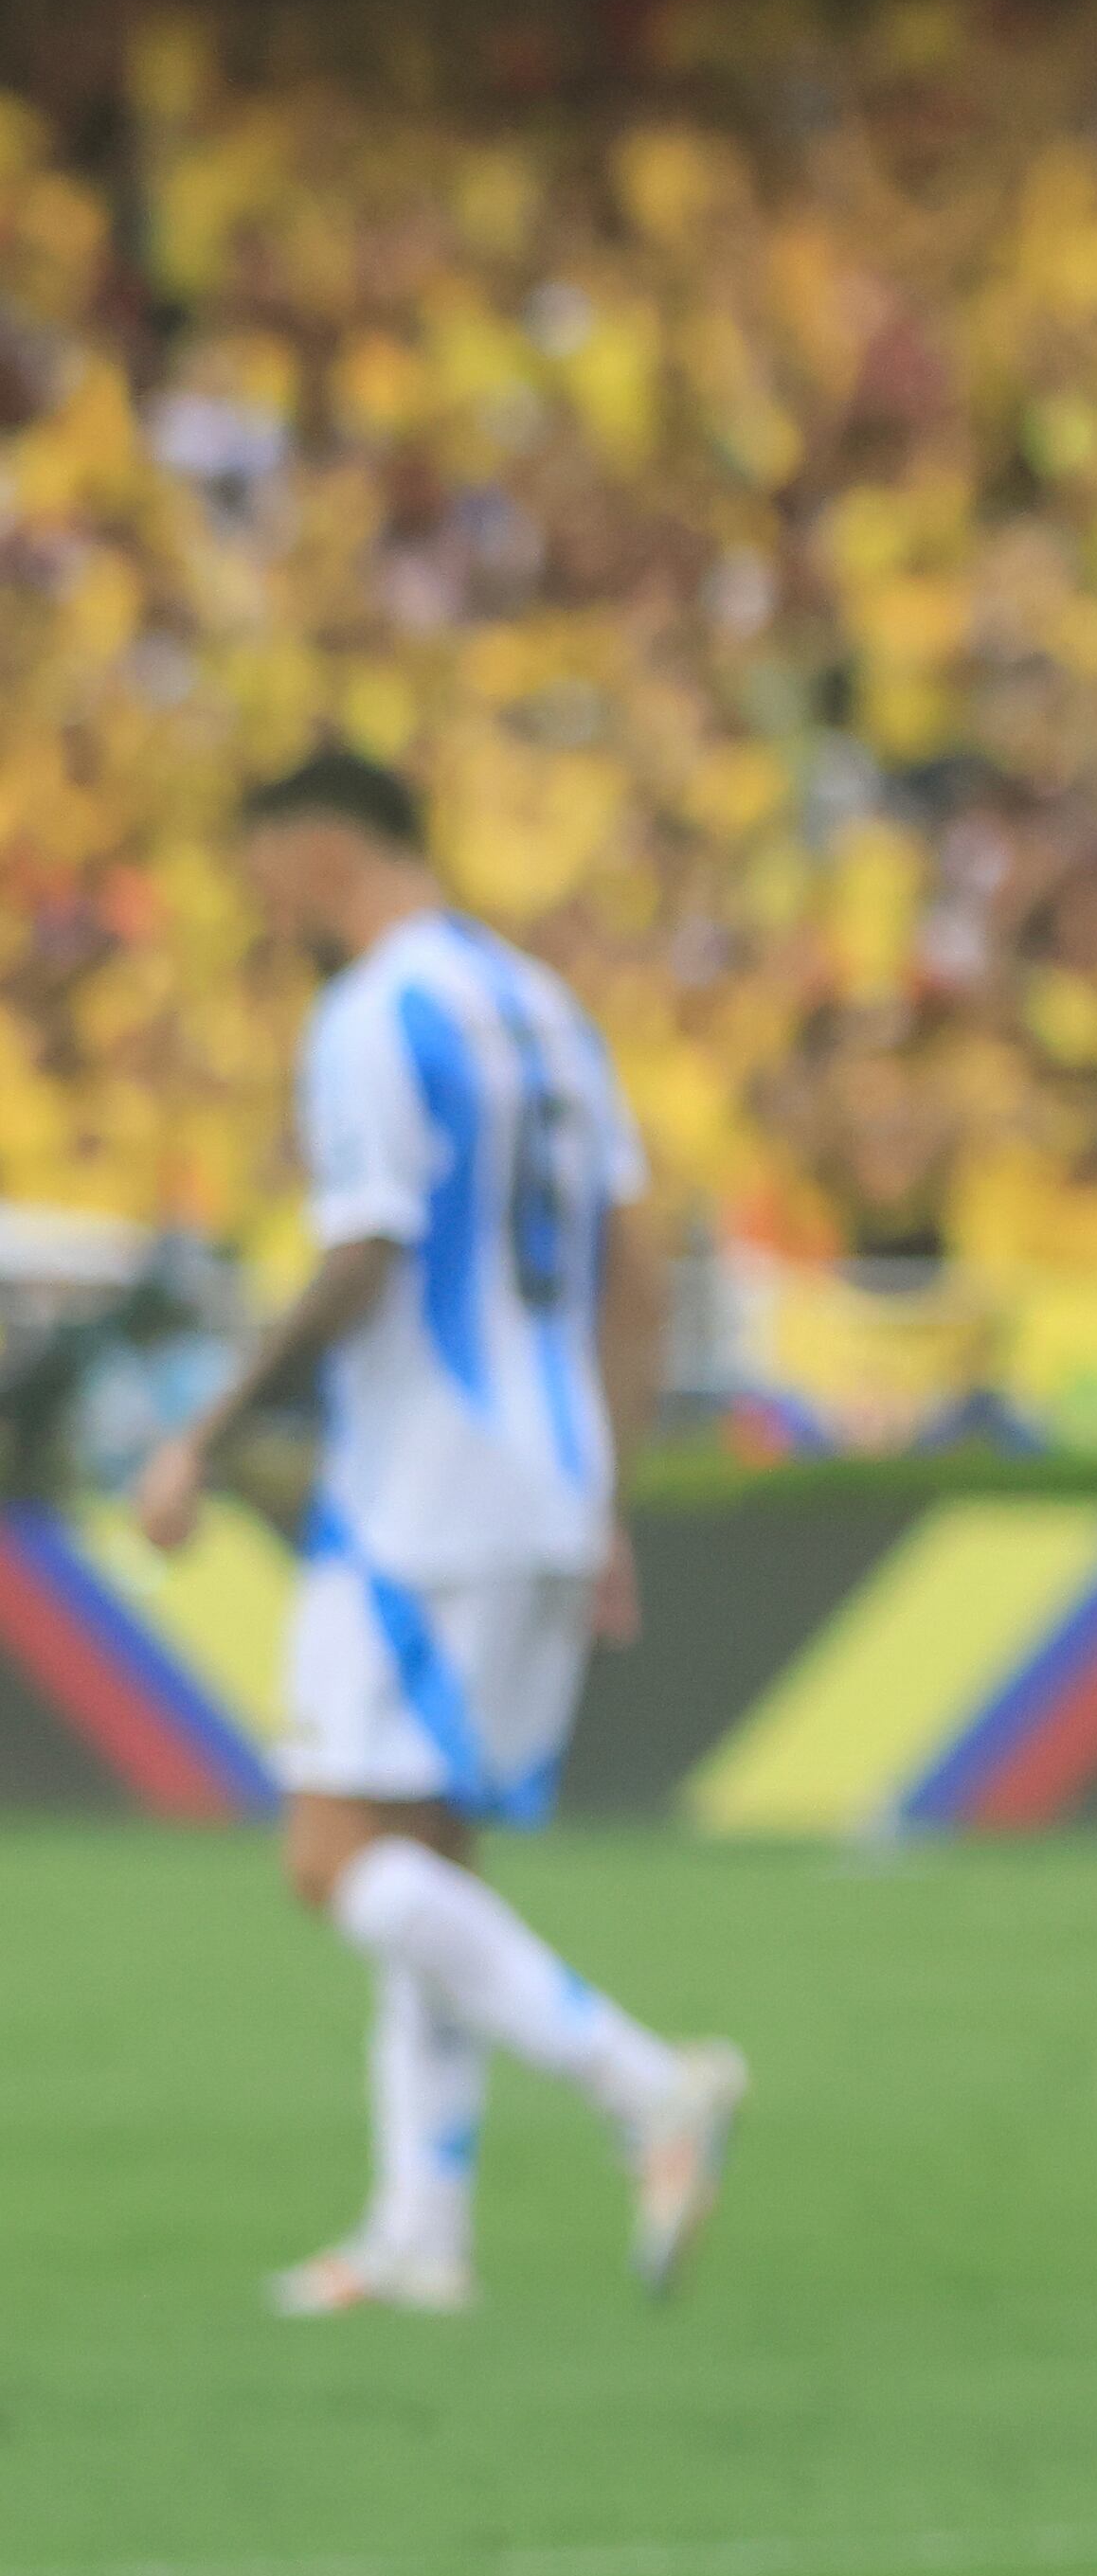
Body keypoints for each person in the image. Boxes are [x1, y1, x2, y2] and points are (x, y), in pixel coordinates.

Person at [135, 749, 746, 2317]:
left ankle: (644, 2083)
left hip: (422, 1487)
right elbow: (636, 1271)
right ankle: (422, 2231)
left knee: (331, 1854)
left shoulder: (372, 1013)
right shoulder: (545, 1006)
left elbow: (363, 1252)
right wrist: (607, 1487)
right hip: (545, 1478)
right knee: (429, 1861)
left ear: (319, 848)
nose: (266, 904)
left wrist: (205, 1433)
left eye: (266, 870)